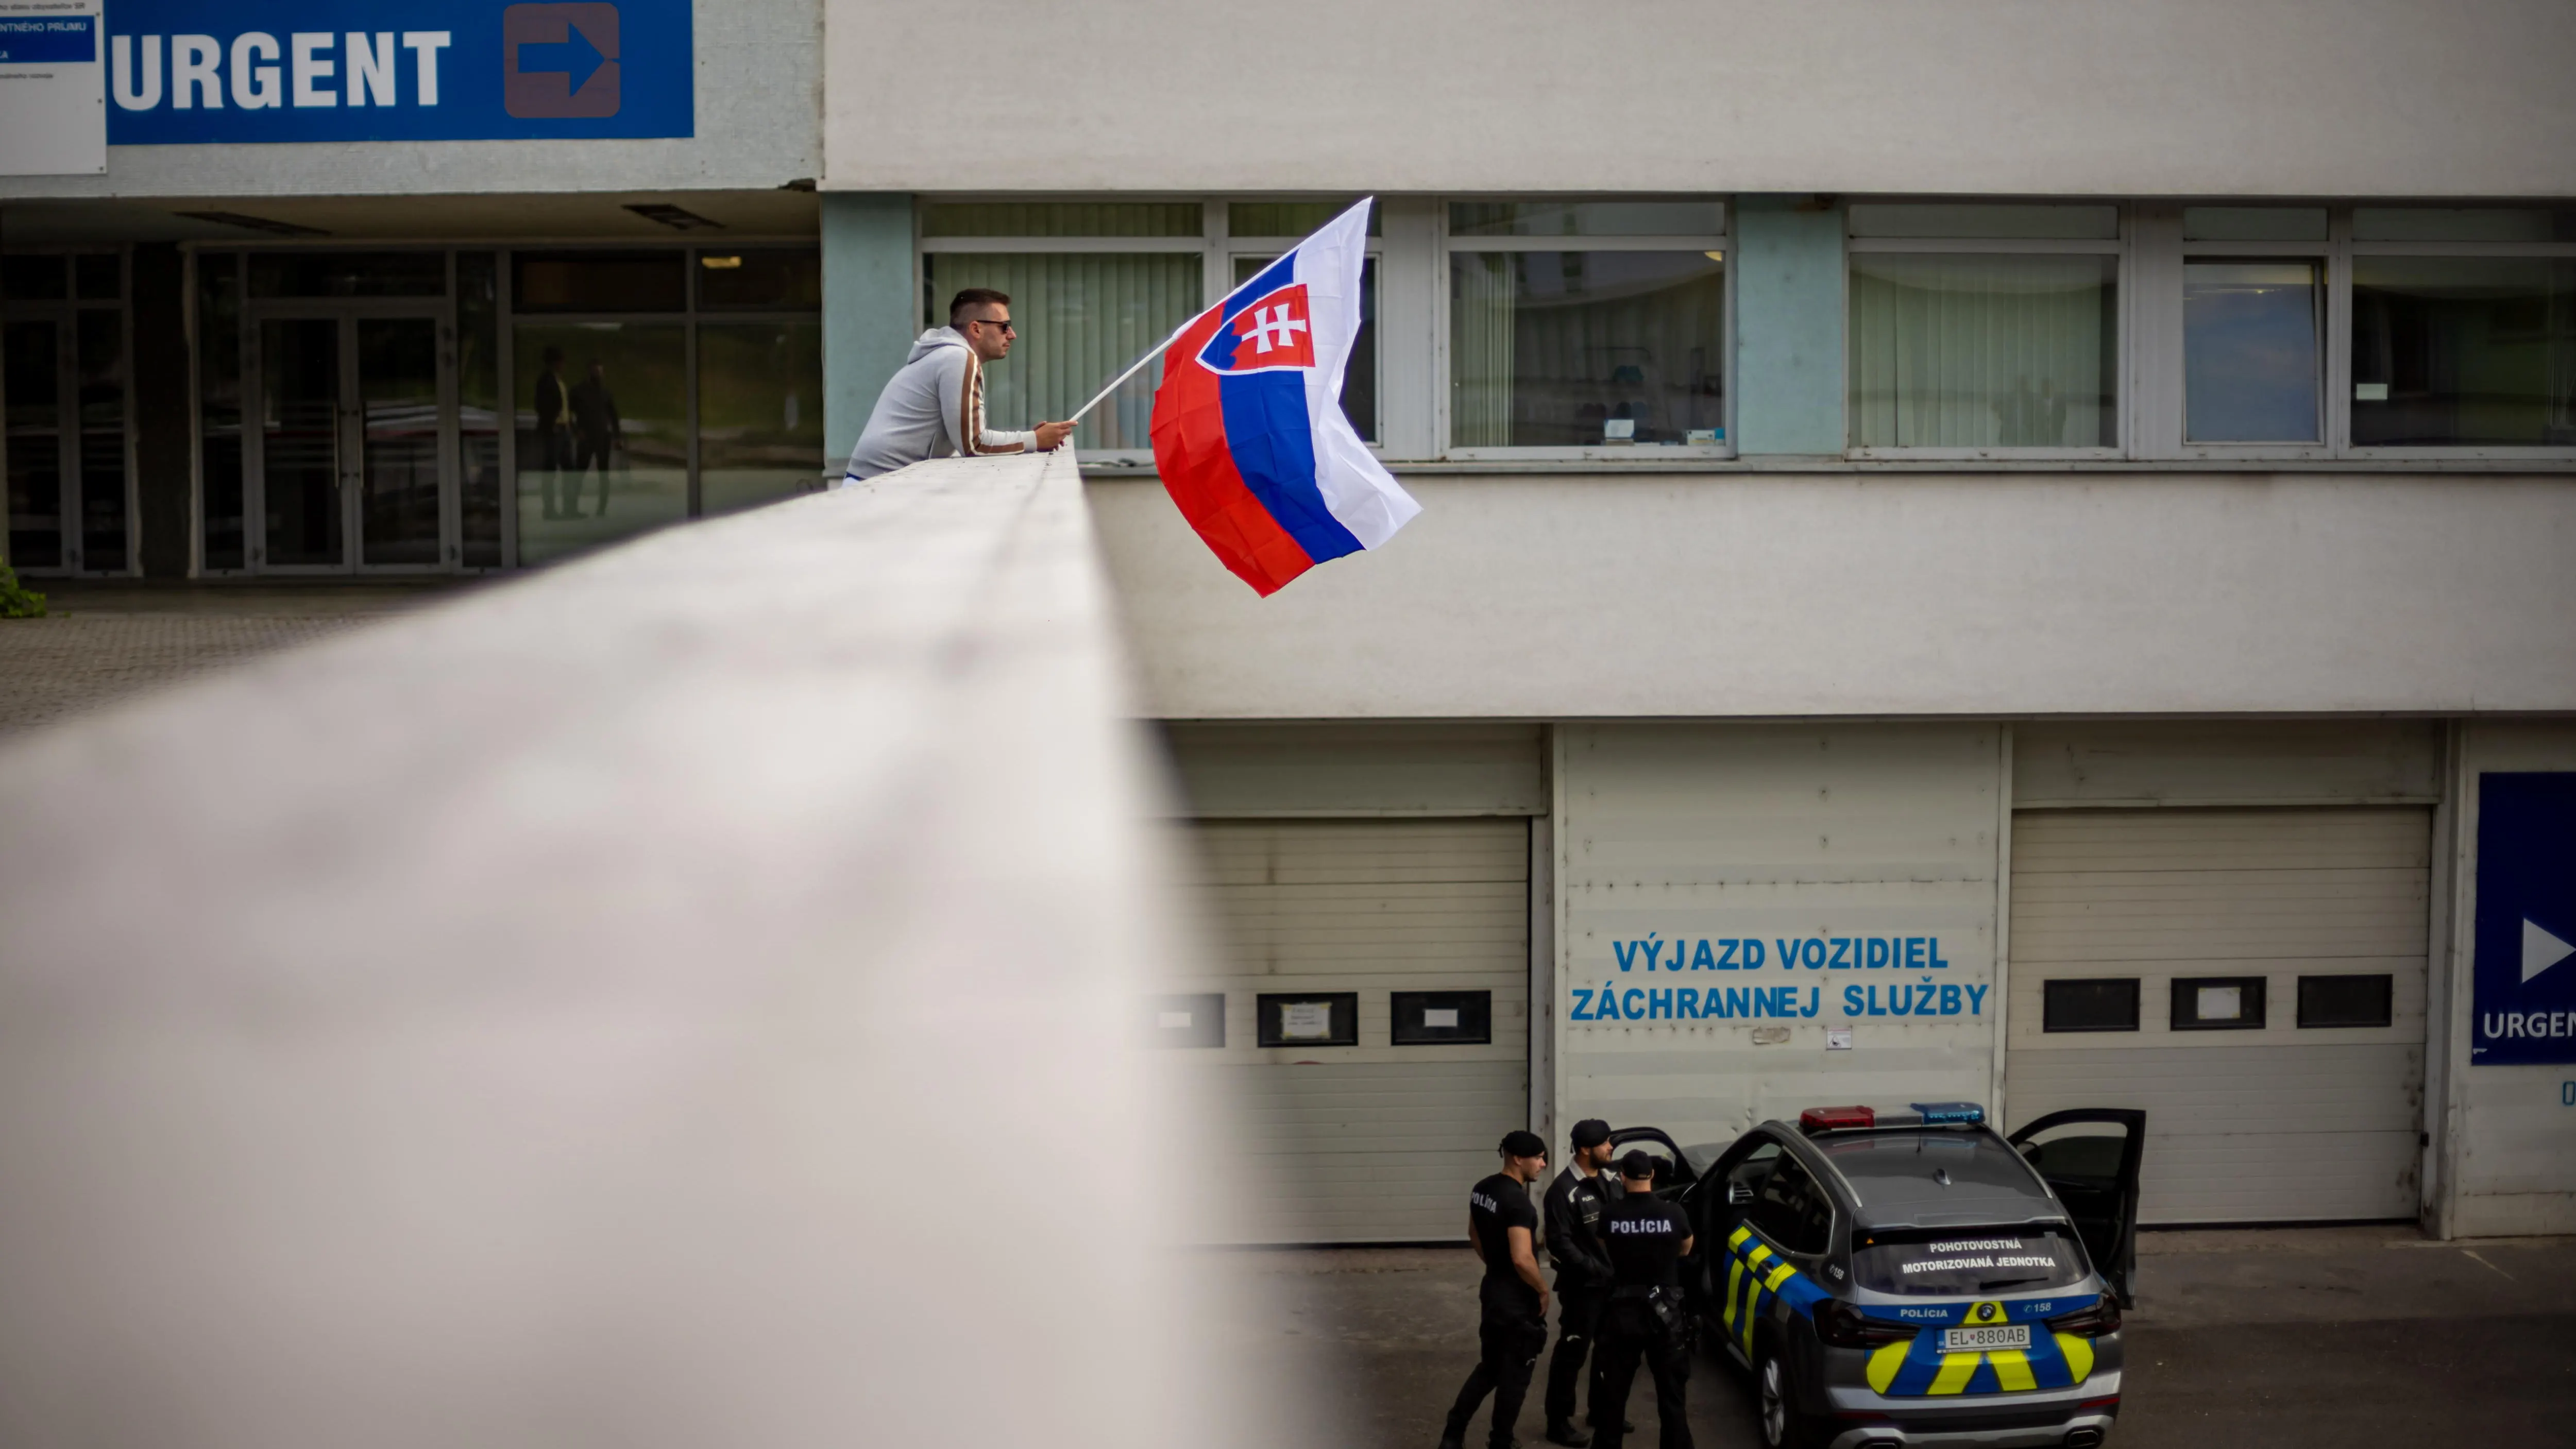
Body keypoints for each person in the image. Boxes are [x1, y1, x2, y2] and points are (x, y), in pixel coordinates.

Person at [840, 288, 1076, 483]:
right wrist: (1035, 440)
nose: (1012, 335)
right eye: (1004, 326)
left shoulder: (947, 355)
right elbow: (974, 445)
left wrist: (1030, 438)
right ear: (976, 329)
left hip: (872, 480)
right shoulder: (959, 358)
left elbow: (966, 441)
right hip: (877, 485)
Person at [1440, 1130, 1552, 1449]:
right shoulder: (1518, 1203)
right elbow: (1522, 1258)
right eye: (1539, 1157)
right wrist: (1543, 1290)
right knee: (1515, 1377)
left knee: (1490, 1367)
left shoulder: (1483, 1189)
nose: (1543, 1164)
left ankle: (1453, 1433)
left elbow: (1473, 1232)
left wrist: (1494, 1265)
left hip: (1493, 1291)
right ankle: (1501, 1441)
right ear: (1519, 1159)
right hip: (1517, 1300)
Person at [1587, 1152, 1694, 1449]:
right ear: (1652, 1176)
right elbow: (1686, 1249)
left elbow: (1604, 1245)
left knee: (1614, 1394)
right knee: (1672, 1395)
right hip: (1665, 1313)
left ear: (1622, 1176)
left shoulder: (1610, 1213)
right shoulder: (1674, 1213)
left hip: (1623, 1310)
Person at [1541, 1120, 1623, 1446]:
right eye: (1605, 1144)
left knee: (1610, 1350)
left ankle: (1601, 1411)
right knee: (1572, 1354)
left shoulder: (1610, 1178)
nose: (1611, 1148)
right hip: (1583, 1289)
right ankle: (1558, 1422)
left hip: (1614, 1286)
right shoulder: (1562, 1191)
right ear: (1586, 1149)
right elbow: (1559, 1242)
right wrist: (1595, 1269)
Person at [568, 360, 622, 518]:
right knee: (580, 472)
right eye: (595, 372)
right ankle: (573, 506)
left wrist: (617, 436)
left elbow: (614, 416)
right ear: (589, 373)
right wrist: (576, 430)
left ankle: (602, 508)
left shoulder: (605, 393)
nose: (598, 375)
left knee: (603, 474)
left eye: (600, 372)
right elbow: (568, 412)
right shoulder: (578, 391)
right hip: (586, 437)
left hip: (603, 437)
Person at [532, 348, 576, 520]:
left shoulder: (558, 381)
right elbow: (541, 405)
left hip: (564, 429)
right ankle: (550, 510)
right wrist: (551, 423)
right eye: (561, 361)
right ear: (554, 363)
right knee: (550, 471)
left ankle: (569, 508)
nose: (563, 365)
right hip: (555, 430)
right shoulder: (546, 381)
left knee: (569, 471)